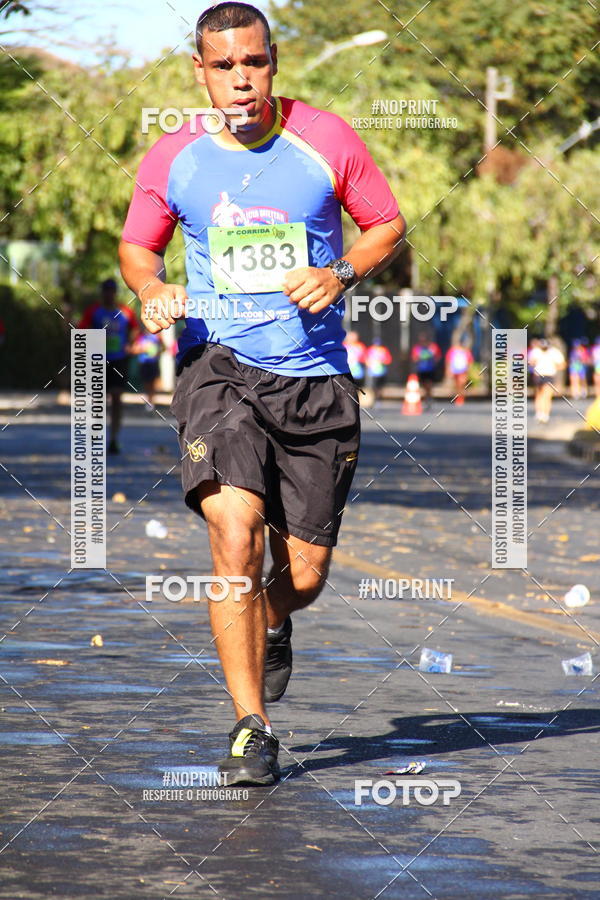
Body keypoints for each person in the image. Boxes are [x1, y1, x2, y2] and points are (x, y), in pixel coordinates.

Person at [119, 2, 405, 786]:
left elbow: (386, 223)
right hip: (220, 366)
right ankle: (252, 726)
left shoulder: (327, 139)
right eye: (224, 66)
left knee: (303, 576)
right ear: (200, 71)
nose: (241, 79)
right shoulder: (175, 155)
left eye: (254, 62)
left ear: (272, 61)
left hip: (313, 379)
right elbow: (137, 245)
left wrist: (339, 271)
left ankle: (271, 619)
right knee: (233, 531)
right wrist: (152, 287)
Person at [79, 278, 139, 453]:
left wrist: (130, 342)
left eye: (111, 291)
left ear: (115, 293)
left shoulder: (125, 311)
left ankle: (114, 438)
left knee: (117, 398)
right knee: (98, 400)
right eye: (106, 291)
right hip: (98, 359)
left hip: (119, 359)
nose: (109, 294)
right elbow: (82, 330)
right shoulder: (94, 311)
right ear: (102, 293)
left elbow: (135, 329)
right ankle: (96, 436)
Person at [531, 339, 565, 423]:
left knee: (546, 395)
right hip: (539, 375)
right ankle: (539, 413)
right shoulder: (536, 351)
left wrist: (554, 368)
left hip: (549, 375)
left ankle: (545, 414)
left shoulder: (554, 352)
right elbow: (531, 362)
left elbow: (562, 364)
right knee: (539, 394)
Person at [133, 328, 163, 409]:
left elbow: (163, 348)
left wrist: (157, 352)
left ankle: (151, 401)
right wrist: (143, 349)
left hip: (153, 363)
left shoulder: (157, 337)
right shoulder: (141, 337)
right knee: (146, 383)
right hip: (143, 363)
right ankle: (148, 399)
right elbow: (134, 349)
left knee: (152, 383)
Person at [410, 333, 441, 405]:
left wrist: (434, 361)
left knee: (429, 384)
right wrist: (419, 358)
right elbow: (414, 358)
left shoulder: (432, 347)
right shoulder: (417, 348)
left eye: (424, 340)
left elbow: (438, 356)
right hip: (421, 369)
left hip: (430, 369)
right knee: (424, 384)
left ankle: (429, 397)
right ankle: (426, 397)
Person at [445, 339, 473, 406]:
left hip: (463, 371)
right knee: (457, 385)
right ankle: (458, 397)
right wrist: (448, 370)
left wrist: (469, 370)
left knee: (461, 383)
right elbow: (448, 360)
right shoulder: (453, 350)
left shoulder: (466, 351)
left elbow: (470, 361)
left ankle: (461, 398)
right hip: (455, 370)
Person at [365, 338, 392, 403]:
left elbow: (388, 360)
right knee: (373, 386)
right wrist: (368, 364)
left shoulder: (384, 350)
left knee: (380, 386)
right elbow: (366, 359)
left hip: (381, 371)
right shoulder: (370, 350)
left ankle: (378, 398)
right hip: (373, 372)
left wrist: (383, 361)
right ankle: (374, 398)